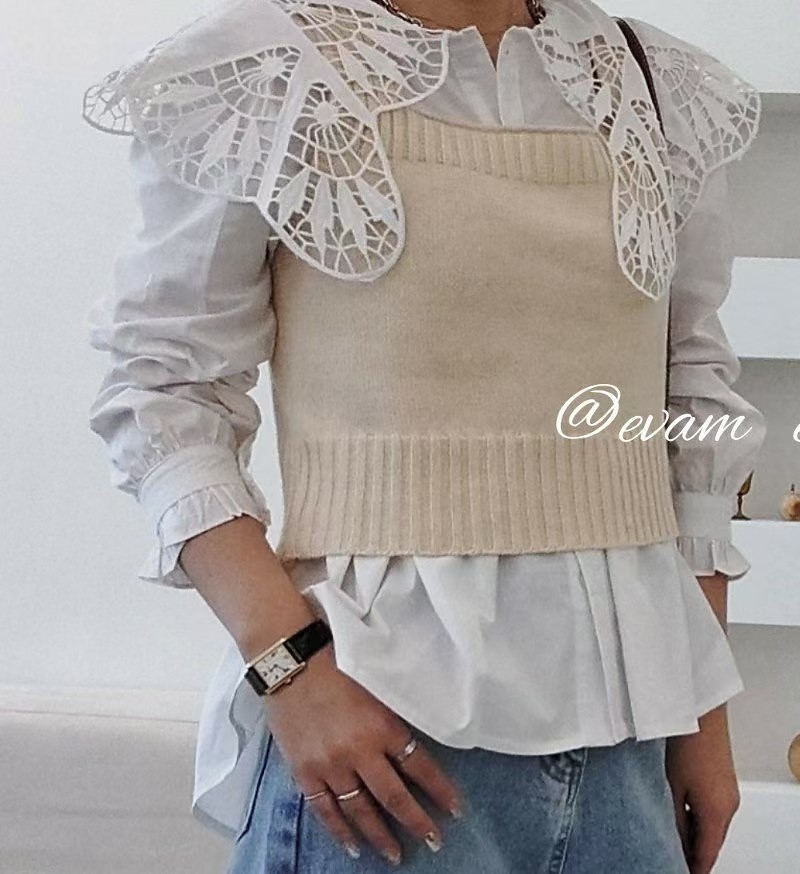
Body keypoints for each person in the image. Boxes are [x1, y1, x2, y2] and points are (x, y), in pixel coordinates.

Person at [82, 0, 764, 870]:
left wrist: (706, 715)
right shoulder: (262, 67)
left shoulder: (657, 84)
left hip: (628, 760)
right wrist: (289, 670)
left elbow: (691, 402)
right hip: (384, 746)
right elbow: (162, 385)